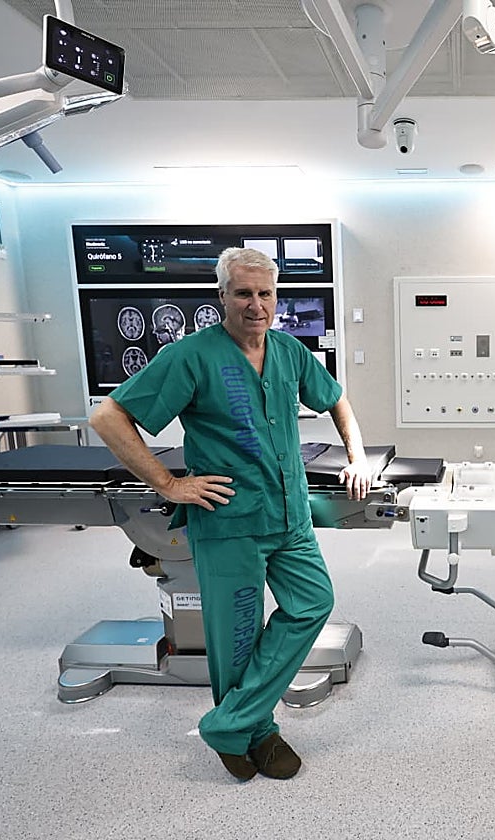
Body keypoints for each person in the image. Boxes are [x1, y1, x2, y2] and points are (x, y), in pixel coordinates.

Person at [89, 247, 373, 782]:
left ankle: (227, 723)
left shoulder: (289, 351)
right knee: (236, 639)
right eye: (243, 293)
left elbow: (336, 399)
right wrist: (169, 484)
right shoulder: (191, 356)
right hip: (228, 521)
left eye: (265, 294)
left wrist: (357, 457)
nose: (256, 304)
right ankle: (259, 731)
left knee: (313, 603)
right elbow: (109, 417)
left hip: (289, 517)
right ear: (222, 296)